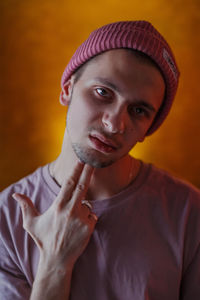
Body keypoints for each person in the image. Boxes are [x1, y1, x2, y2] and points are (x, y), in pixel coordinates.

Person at [0, 20, 200, 300]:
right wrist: (55, 264)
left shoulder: (189, 213)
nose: (115, 124)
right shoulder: (5, 218)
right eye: (103, 92)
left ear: (149, 129)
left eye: (139, 110)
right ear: (67, 89)